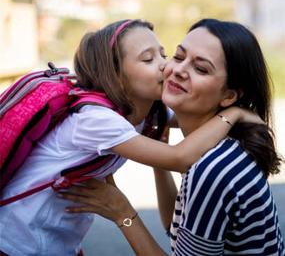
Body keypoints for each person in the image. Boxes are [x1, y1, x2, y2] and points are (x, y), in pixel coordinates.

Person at [0, 19, 257, 256]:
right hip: (18, 239)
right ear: (116, 76)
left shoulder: (142, 110)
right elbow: (180, 158)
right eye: (148, 60)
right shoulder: (97, 120)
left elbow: (194, 116)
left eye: (165, 55)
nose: (166, 65)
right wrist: (233, 113)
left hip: (55, 239)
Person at [60, 19, 285, 256]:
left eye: (200, 68)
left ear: (229, 96)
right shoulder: (214, 146)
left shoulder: (213, 167)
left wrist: (122, 213)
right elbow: (175, 228)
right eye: (178, 57)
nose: (176, 70)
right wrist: (160, 157)